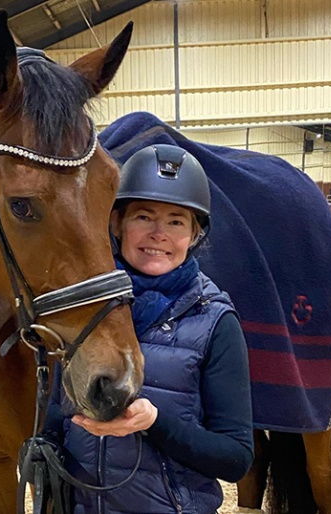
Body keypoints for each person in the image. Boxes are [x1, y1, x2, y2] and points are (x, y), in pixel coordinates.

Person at [41, 144, 254, 514]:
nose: (159, 233)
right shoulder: (85, 312)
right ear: (116, 223)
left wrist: (154, 423)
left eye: (176, 221)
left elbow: (235, 458)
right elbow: (56, 414)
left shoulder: (216, 321)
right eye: (143, 216)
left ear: (194, 235)